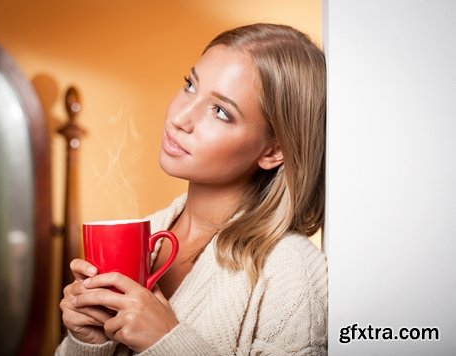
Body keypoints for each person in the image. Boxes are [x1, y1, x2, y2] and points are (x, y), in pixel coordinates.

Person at [56, 23, 327, 355]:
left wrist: (167, 341)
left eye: (221, 111)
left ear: (273, 151)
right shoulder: (150, 233)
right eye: (190, 85)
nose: (180, 117)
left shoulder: (290, 270)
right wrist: (88, 342)